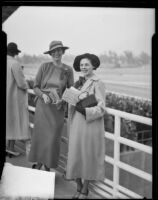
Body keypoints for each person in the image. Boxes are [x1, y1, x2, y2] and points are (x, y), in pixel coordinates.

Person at [28, 40, 74, 171]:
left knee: (52, 139)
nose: (56, 53)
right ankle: (43, 167)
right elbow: (35, 86)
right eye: (53, 51)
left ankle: (43, 167)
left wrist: (63, 101)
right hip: (43, 107)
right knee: (41, 138)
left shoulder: (68, 70)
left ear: (63, 52)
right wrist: (43, 95)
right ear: (50, 53)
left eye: (59, 50)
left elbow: (71, 91)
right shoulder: (44, 66)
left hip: (57, 110)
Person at [66, 53, 106, 199]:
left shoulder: (98, 82)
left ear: (93, 66)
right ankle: (78, 185)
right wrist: (71, 95)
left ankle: (85, 189)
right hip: (76, 123)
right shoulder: (78, 82)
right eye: (82, 65)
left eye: (86, 65)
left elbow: (101, 108)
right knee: (75, 154)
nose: (83, 67)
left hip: (89, 124)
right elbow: (70, 101)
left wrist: (85, 110)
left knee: (87, 156)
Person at [6, 42, 31, 156]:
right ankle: (10, 148)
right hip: (12, 98)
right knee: (13, 122)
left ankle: (9, 147)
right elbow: (21, 83)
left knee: (8, 122)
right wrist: (28, 85)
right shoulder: (15, 64)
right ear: (15, 53)